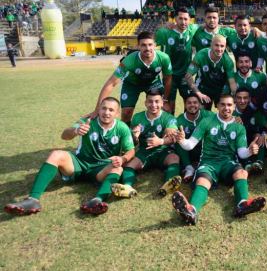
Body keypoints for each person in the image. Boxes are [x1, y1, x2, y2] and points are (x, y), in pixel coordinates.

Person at [4, 97, 135, 216]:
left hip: (101, 169)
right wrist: (76, 131)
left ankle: (95, 201)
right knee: (56, 154)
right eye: (104, 108)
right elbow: (64, 135)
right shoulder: (87, 121)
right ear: (98, 109)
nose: (107, 112)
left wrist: (122, 159)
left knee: (118, 169)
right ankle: (32, 200)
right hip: (79, 163)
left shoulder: (122, 127)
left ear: (117, 113)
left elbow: (131, 151)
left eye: (111, 110)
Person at [172, 94, 267, 225]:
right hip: (208, 162)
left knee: (242, 173)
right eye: (222, 104)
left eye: (229, 105)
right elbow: (190, 144)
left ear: (234, 107)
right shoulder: (206, 122)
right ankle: (191, 210)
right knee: (202, 181)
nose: (226, 108)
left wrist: (250, 151)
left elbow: (242, 153)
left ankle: (243, 204)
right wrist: (182, 141)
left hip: (229, 162)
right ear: (217, 106)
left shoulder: (239, 126)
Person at [89, 31, 173, 125]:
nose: (148, 48)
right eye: (144, 45)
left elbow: (168, 79)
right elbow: (111, 83)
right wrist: (97, 109)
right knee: (126, 113)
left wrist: (165, 100)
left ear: (155, 45)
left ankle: (159, 135)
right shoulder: (129, 61)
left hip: (152, 83)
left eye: (150, 45)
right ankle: (127, 137)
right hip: (131, 84)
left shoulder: (164, 58)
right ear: (138, 46)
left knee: (160, 108)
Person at [110, 90, 182, 199]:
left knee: (174, 158)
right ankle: (127, 187)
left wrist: (160, 141)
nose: (153, 105)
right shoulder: (137, 118)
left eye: (157, 102)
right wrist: (135, 137)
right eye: (150, 102)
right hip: (144, 152)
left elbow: (172, 138)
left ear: (162, 103)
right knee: (129, 165)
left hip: (163, 151)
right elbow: (133, 143)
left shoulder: (169, 118)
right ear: (145, 103)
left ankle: (169, 184)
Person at [155, 7, 201, 110]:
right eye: (180, 18)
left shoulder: (192, 28)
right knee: (169, 107)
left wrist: (231, 26)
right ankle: (171, 126)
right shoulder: (164, 32)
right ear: (175, 18)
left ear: (190, 19)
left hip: (186, 75)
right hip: (169, 75)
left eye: (186, 19)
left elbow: (210, 26)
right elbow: (148, 43)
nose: (183, 22)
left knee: (190, 104)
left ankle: (187, 125)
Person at [185, 34, 236, 110]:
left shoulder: (228, 61)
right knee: (199, 110)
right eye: (216, 45)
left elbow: (232, 82)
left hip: (220, 88)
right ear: (211, 45)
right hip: (203, 87)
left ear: (226, 47)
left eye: (222, 46)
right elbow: (188, 76)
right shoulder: (201, 55)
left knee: (225, 109)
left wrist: (235, 98)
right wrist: (198, 93)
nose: (219, 49)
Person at [173, 93, 216, 182]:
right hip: (189, 151)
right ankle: (188, 167)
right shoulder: (179, 120)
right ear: (185, 105)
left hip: (204, 149)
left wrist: (235, 118)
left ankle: (208, 165)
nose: (192, 105)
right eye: (189, 103)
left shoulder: (207, 115)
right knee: (178, 140)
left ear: (199, 105)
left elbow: (221, 119)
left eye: (195, 102)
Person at [233, 87, 267, 173]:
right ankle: (247, 162)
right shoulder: (230, 112)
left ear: (250, 99)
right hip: (237, 140)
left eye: (245, 98)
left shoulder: (255, 111)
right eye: (239, 98)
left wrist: (264, 136)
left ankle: (259, 162)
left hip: (252, 137)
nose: (242, 101)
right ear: (235, 99)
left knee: (258, 135)